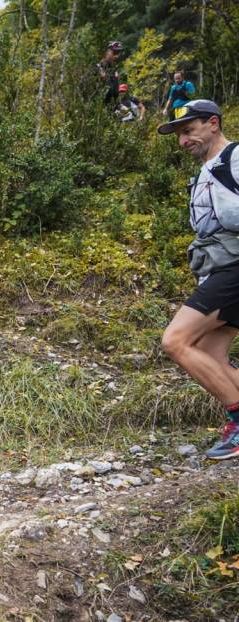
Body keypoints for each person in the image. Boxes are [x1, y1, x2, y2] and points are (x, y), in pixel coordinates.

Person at [159, 100, 239, 460]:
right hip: (221, 271)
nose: (183, 141)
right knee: (208, 352)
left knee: (175, 340)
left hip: (235, 270)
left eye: (189, 130)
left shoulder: (235, 158)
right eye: (179, 135)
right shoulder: (209, 169)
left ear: (213, 124)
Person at [93, 40, 124, 107]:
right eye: (114, 53)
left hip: (112, 107)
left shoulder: (114, 71)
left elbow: (115, 94)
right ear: (106, 52)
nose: (116, 56)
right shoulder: (96, 68)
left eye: (118, 53)